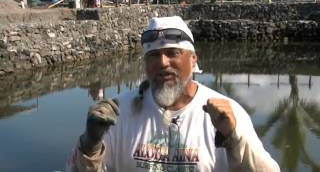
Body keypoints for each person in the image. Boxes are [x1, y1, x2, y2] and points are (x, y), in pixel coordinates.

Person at [66, 16, 280, 172]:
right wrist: (90, 145)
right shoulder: (117, 113)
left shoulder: (227, 115)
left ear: (193, 59)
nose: (162, 63)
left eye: (173, 53)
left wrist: (234, 138)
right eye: (154, 55)